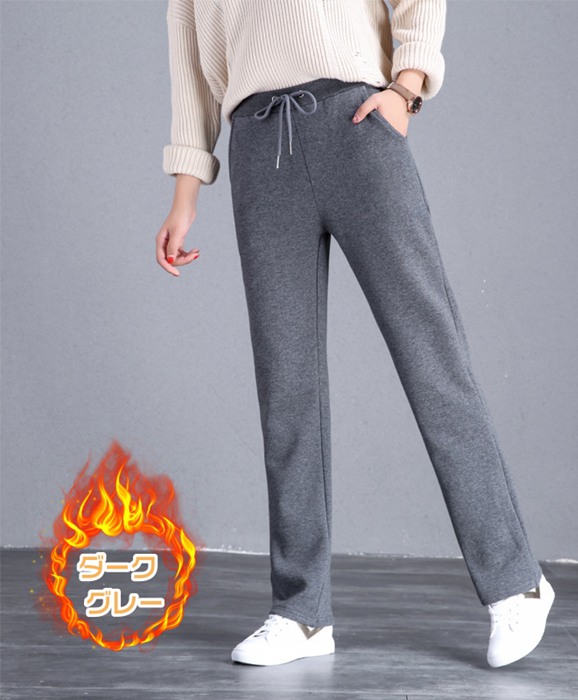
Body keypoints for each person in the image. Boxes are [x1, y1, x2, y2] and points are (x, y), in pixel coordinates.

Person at [156, 0, 554, 670]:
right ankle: (301, 611)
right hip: (257, 142)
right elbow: (189, 63)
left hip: (356, 122)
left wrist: (408, 87)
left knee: (430, 356)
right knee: (286, 383)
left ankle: (517, 584)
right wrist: (185, 192)